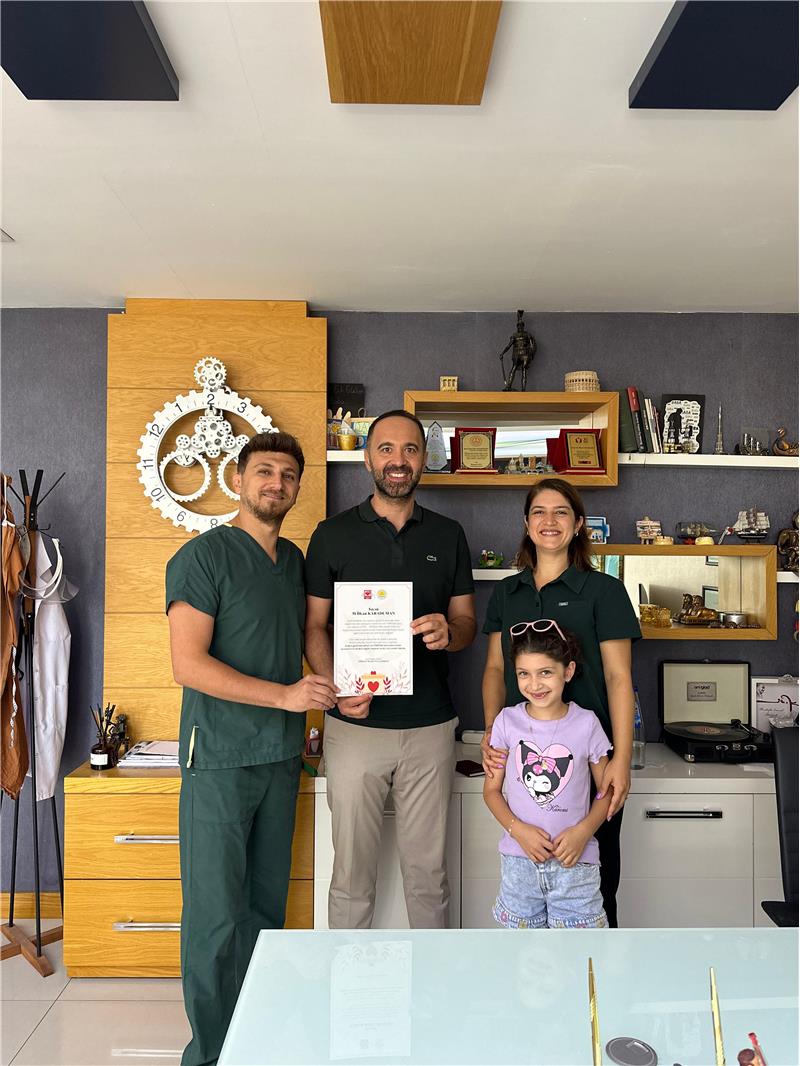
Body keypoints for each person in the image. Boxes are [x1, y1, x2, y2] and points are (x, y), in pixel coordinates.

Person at [166, 431, 337, 1066]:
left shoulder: (293, 561)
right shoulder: (202, 558)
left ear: (298, 488)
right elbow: (188, 664)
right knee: (215, 916)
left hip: (280, 758)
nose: (276, 484)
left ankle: (252, 1038)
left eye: (288, 475)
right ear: (238, 480)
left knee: (264, 910)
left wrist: (340, 689)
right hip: (218, 759)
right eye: (264, 471)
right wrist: (287, 697)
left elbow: (308, 637)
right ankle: (209, 1054)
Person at [305, 409, 477, 929]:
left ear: (424, 459)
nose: (398, 460)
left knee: (429, 876)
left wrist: (450, 633)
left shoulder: (448, 534)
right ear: (367, 459)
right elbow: (313, 627)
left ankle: (433, 975)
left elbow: (466, 621)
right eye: (386, 449)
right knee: (351, 876)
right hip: (354, 727)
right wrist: (337, 690)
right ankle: (346, 974)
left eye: (409, 450)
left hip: (431, 728)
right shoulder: (331, 534)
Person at [481, 478, 640, 927]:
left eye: (561, 512)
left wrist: (621, 759)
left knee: (596, 889)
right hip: (523, 762)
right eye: (539, 512)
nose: (549, 521)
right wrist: (492, 733)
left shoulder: (604, 591)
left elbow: (619, 677)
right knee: (526, 894)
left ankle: (595, 972)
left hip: (592, 762)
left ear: (579, 524)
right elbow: (493, 669)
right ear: (526, 524)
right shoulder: (506, 593)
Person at [484, 620, 611, 929]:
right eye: (523, 674)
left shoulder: (587, 724)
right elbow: (491, 791)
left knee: (579, 953)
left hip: (575, 865)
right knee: (523, 955)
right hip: (519, 865)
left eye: (545, 673)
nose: (534, 684)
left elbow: (607, 790)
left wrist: (583, 832)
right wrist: (518, 830)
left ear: (567, 671)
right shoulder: (506, 722)